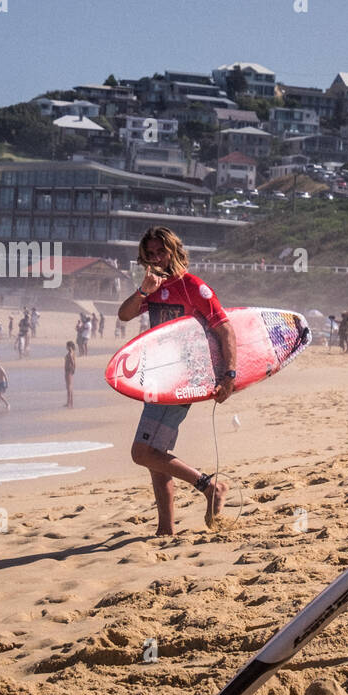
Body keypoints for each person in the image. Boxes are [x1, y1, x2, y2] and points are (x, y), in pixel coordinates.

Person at [117, 226, 235, 533]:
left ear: (174, 250)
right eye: (150, 254)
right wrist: (143, 290)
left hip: (183, 379)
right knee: (155, 457)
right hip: (158, 377)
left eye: (161, 251)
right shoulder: (152, 286)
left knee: (141, 453)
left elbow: (225, 328)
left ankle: (209, 487)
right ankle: (165, 529)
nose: (156, 258)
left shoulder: (194, 286)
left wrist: (229, 375)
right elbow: (124, 314)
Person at [64, 340, 77, 407]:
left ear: (69, 346)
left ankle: (69, 403)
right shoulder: (72, 353)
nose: (66, 347)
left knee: (69, 387)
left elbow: (73, 362)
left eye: (67, 346)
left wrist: (73, 369)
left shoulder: (70, 353)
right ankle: (70, 402)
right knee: (69, 386)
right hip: (69, 370)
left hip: (68, 371)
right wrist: (74, 369)